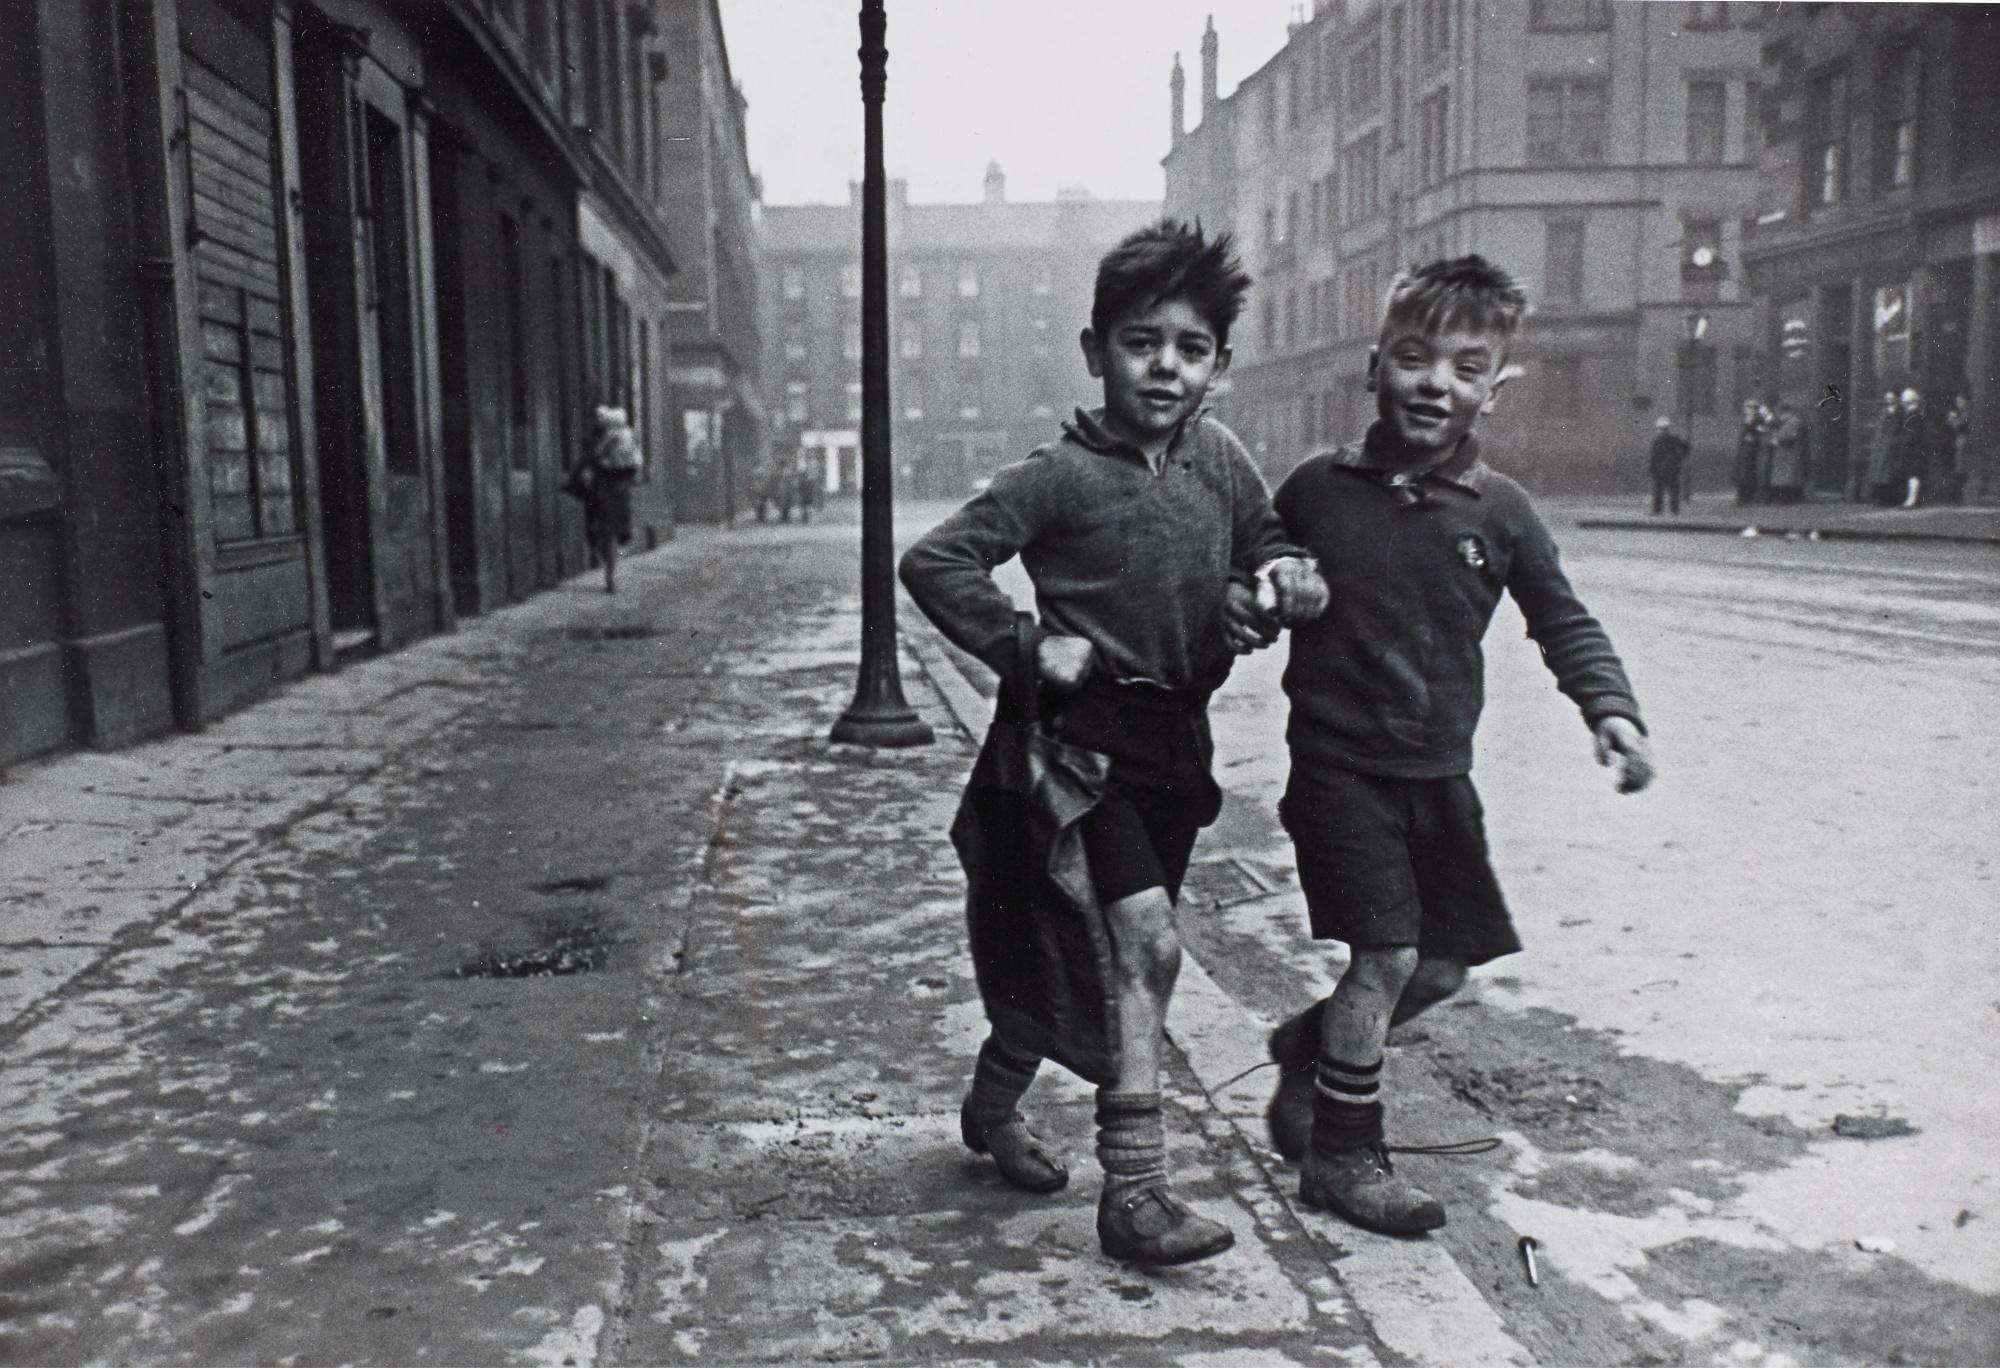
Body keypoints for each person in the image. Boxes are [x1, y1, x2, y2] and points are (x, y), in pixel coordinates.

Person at [899, 219, 1328, 1267]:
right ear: (1096, 351)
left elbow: (1265, 546)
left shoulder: (1218, 459)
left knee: (1078, 962)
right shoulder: (1055, 474)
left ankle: (991, 1105)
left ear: (1218, 366)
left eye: (1189, 348)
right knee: (1142, 945)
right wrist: (1024, 644)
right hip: (1070, 749)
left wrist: (1276, 585)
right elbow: (935, 562)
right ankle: (1133, 1191)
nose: (1164, 367)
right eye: (1141, 343)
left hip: (1169, 745)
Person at [1253, 256, 1655, 1237]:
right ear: (1373, 367)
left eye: (1464, 367)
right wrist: (1273, 582)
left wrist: (1610, 709)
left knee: (1439, 969)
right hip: (1339, 770)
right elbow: (1253, 562)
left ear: (1493, 387)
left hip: (1438, 778)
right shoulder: (1315, 489)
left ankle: (1306, 1049)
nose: (1436, 382)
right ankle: (1344, 1158)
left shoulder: (1499, 511)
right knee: (1386, 956)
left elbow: (1562, 622)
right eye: (1413, 357)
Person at [567, 405, 641, 592]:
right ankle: (610, 571)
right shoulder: (626, 434)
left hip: (604, 490)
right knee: (611, 533)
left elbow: (590, 459)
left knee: (606, 532)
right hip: (616, 490)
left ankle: (610, 575)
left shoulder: (604, 438)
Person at [1647, 415, 1690, 515]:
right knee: (1673, 490)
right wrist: (1680, 459)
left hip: (1660, 469)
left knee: (1659, 490)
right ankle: (1674, 509)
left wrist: (1652, 469)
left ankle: (1657, 510)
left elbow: (1654, 456)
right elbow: (1686, 448)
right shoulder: (1674, 439)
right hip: (1672, 468)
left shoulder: (1657, 441)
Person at [1864, 391, 1901, 504]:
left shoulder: (1899, 412)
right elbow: (1879, 429)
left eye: (1891, 398)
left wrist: (1893, 441)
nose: (1889, 400)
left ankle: (1890, 498)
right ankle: (1880, 498)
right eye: (1887, 398)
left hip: (1891, 446)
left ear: (1896, 399)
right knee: (1878, 473)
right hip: (1881, 446)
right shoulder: (1883, 412)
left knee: (1889, 474)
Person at [1767, 402, 1807, 503]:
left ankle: (1787, 498)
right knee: (1785, 477)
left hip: (1788, 453)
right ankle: (1786, 497)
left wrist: (1777, 439)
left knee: (1786, 478)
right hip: (1784, 453)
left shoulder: (1793, 422)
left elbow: (1789, 437)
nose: (1779, 416)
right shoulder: (1789, 422)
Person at [1898, 387, 1929, 509]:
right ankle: (1911, 498)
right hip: (1911, 448)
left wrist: (1904, 440)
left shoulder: (1914, 415)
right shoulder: (1912, 414)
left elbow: (1913, 433)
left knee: (1913, 474)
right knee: (1911, 474)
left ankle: (1912, 499)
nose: (1904, 404)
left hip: (1914, 449)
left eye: (1905, 402)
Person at [1734, 399, 1765, 506]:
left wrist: (1752, 438)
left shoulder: (1757, 420)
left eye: (1750, 408)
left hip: (1751, 450)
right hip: (1744, 450)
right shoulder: (1746, 419)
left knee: (1748, 474)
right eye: (1747, 407)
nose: (1746, 410)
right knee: (1742, 474)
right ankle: (1742, 497)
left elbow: (1759, 433)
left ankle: (1747, 497)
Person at [1943, 394, 1972, 505]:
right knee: (1957, 469)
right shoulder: (1961, 413)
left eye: (1960, 401)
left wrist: (1952, 419)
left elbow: (1958, 425)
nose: (1958, 404)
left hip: (1963, 443)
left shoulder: (1967, 413)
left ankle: (1962, 498)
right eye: (1957, 402)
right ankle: (1957, 497)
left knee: (1961, 469)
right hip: (1957, 442)